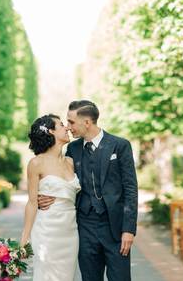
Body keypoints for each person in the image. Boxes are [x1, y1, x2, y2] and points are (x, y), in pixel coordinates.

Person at [38, 100, 138, 281]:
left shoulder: (120, 145)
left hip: (114, 227)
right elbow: (61, 179)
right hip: (84, 226)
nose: (68, 127)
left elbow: (131, 189)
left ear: (87, 122)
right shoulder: (72, 149)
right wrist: (47, 196)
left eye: (71, 122)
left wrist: (129, 230)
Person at [21, 114, 81, 281]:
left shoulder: (70, 161)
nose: (67, 127)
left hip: (70, 232)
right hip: (46, 231)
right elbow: (32, 203)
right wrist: (24, 240)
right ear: (50, 132)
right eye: (62, 125)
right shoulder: (36, 163)